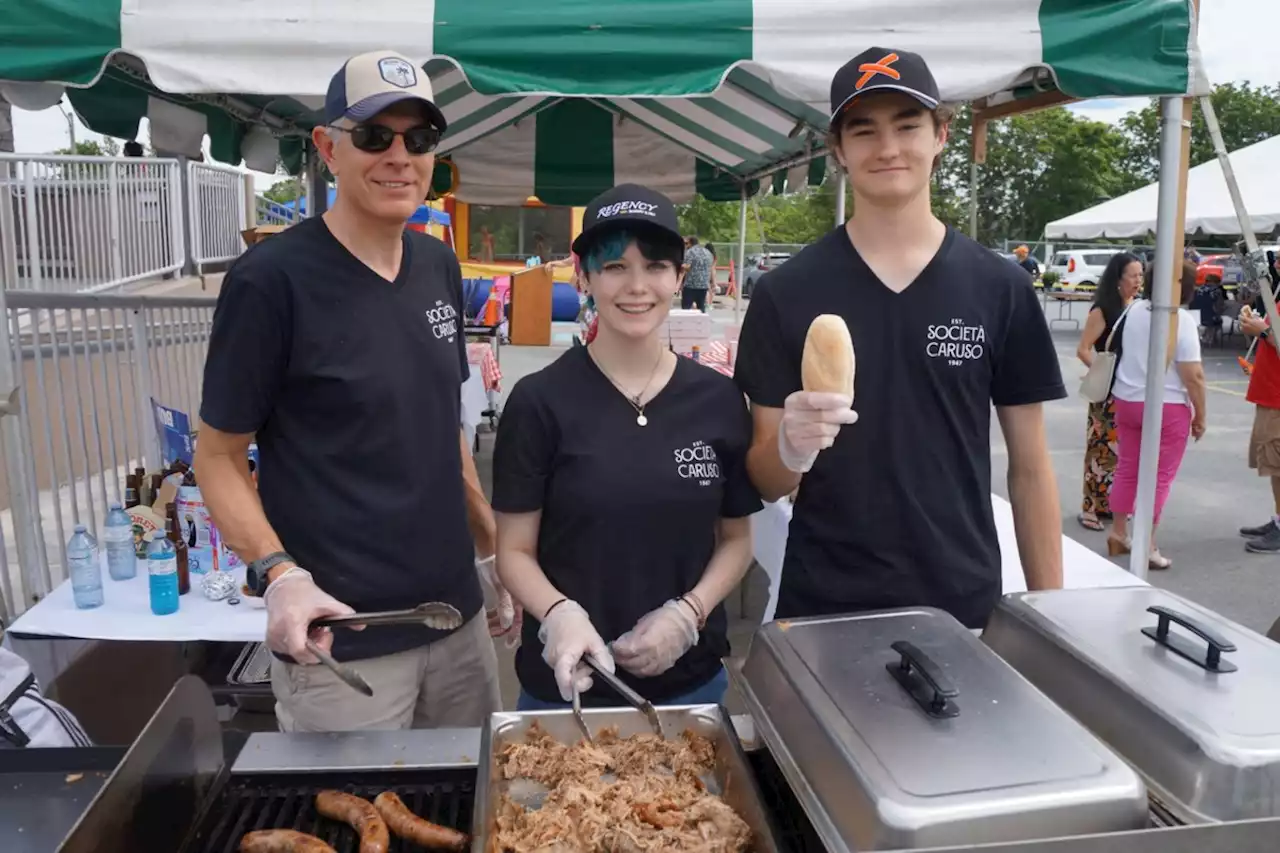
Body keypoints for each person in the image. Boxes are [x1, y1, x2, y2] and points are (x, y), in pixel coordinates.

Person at [194, 50, 512, 733]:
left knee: (471, 815)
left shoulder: (436, 262)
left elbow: (441, 422)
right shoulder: (269, 282)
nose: (399, 156)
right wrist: (278, 575)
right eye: (374, 135)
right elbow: (217, 456)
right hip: (343, 643)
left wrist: (488, 546)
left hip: (457, 623)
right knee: (352, 827)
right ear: (327, 147)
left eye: (418, 139)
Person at [734, 47, 1065, 630]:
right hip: (823, 603)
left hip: (961, 603)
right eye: (864, 131)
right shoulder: (785, 291)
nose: (887, 148)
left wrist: (1052, 617)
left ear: (941, 134)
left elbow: (1031, 468)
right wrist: (791, 445)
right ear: (838, 151)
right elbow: (765, 478)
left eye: (907, 125)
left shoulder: (1001, 288)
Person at [493, 184, 760, 708]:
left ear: (680, 278)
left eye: (656, 266)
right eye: (614, 266)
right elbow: (514, 551)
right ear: (584, 277)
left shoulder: (719, 399)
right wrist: (558, 615)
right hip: (567, 688)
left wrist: (691, 612)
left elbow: (737, 540)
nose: (637, 286)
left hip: (691, 686)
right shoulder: (539, 402)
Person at [1106, 260, 1206, 568]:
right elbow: (1193, 375)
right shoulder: (1181, 320)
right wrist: (1200, 414)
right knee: (1160, 476)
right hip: (1167, 404)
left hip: (1127, 398)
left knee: (1127, 468)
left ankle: (1119, 531)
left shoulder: (1133, 310)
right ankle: (1147, 544)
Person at [1075, 253, 1144, 531]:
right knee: (1100, 450)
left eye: (1141, 275)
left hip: (1130, 389)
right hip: (1108, 392)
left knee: (1123, 452)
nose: (1138, 281)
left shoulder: (1139, 308)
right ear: (1118, 279)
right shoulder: (1102, 309)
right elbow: (1083, 349)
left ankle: (1112, 505)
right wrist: (1103, 372)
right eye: (1133, 276)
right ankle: (1090, 507)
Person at [1237, 275, 1280, 553]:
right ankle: (1278, 520)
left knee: (1277, 462)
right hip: (1270, 392)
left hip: (1277, 396)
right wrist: (1256, 325)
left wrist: (1263, 330)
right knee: (1274, 465)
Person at [681, 237, 715, 312]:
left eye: (686, 244)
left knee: (686, 308)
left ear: (690, 243)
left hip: (691, 285)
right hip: (704, 285)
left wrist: (680, 265)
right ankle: (701, 322)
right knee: (701, 307)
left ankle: (686, 323)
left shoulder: (690, 252)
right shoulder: (707, 252)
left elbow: (688, 267)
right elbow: (711, 266)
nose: (686, 246)